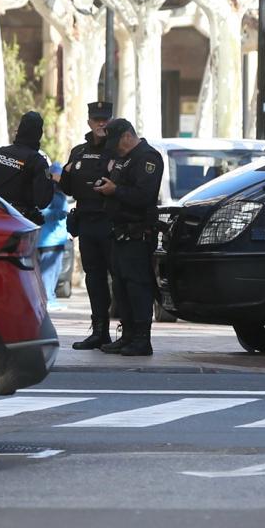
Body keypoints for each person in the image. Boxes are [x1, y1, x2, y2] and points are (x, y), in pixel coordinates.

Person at [95, 118, 163, 356]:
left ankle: (142, 339)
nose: (115, 149)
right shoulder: (124, 159)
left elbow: (143, 195)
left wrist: (116, 191)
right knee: (122, 288)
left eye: (117, 143)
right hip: (120, 232)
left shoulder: (147, 158)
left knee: (138, 287)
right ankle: (128, 335)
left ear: (127, 136)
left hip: (137, 233)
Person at [59, 101, 117, 349]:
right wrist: (66, 172)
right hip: (87, 221)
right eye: (97, 119)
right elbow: (67, 188)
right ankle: (99, 331)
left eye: (105, 119)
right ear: (89, 122)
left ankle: (128, 333)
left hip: (110, 222)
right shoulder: (79, 151)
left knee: (119, 278)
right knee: (94, 279)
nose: (101, 123)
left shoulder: (118, 151)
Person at [0, 110, 55, 224]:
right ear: (39, 134)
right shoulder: (39, 163)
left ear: (19, 131)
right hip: (20, 224)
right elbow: (43, 201)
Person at [36, 161, 71, 306]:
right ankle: (48, 300)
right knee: (49, 274)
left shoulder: (40, 191)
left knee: (47, 274)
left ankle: (48, 298)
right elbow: (55, 213)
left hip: (42, 240)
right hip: (52, 241)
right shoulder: (55, 194)